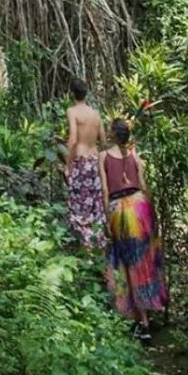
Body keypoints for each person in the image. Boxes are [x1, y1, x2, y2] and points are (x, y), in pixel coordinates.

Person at [100, 116, 167, 339]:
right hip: (140, 206)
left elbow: (105, 191)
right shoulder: (134, 155)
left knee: (129, 265)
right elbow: (144, 185)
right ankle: (142, 318)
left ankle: (143, 324)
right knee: (144, 262)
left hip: (121, 210)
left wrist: (108, 219)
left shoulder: (103, 157)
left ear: (111, 134)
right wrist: (152, 213)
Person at [64, 78, 106, 248]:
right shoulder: (95, 114)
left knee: (80, 208)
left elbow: (73, 139)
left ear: (71, 93)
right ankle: (99, 248)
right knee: (95, 206)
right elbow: (103, 141)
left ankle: (87, 251)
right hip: (94, 162)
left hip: (80, 163)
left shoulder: (72, 111)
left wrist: (68, 165)